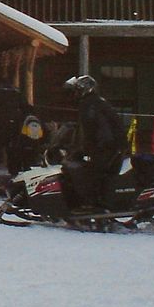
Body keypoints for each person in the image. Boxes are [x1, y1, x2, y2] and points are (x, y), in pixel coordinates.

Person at [62, 74, 126, 209]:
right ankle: (97, 204)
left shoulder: (89, 105)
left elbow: (92, 128)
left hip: (106, 147)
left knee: (90, 174)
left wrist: (86, 148)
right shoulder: (96, 102)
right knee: (98, 175)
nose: (74, 94)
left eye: (76, 91)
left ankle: (93, 206)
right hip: (112, 147)